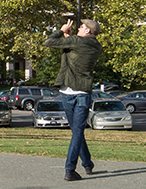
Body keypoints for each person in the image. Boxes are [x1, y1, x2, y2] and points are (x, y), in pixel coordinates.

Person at [44, 16, 102, 181]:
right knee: (78, 132)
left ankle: (70, 169)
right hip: (83, 92)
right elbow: (75, 52)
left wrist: (61, 31)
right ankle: (87, 163)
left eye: (81, 27)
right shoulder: (96, 46)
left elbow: (48, 42)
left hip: (67, 93)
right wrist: (69, 38)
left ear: (87, 30)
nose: (78, 28)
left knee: (77, 131)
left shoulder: (76, 41)